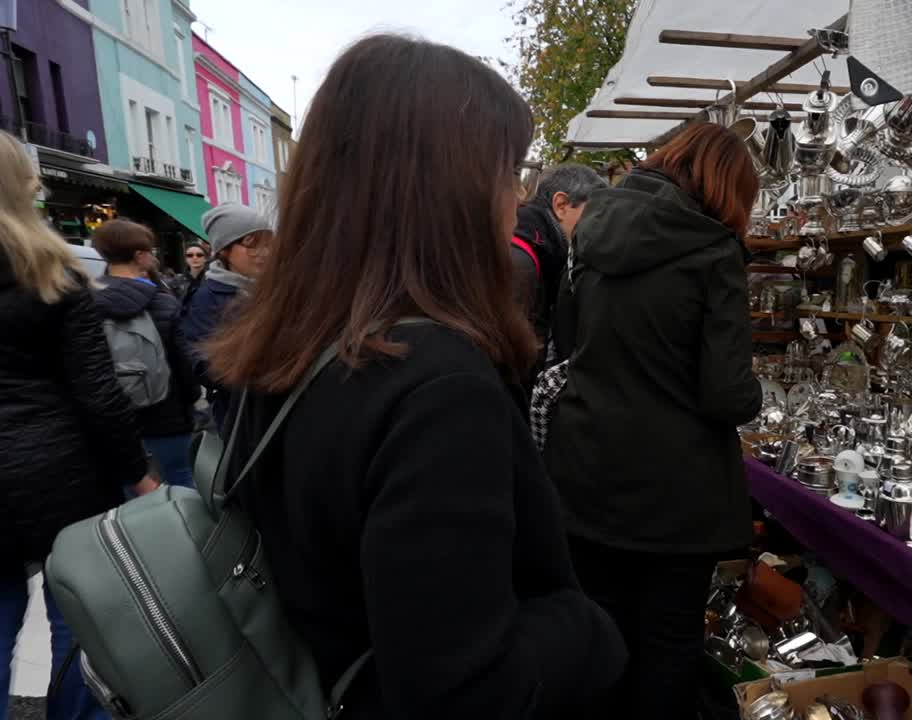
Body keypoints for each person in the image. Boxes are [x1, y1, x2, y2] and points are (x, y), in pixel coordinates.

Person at [202, 34, 625, 719]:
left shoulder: (295, 343)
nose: (516, 200)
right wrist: (593, 631)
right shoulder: (435, 391)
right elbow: (464, 690)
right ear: (447, 189)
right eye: (506, 173)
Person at [545, 122, 763, 720]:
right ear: (725, 186)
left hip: (585, 470)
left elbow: (565, 347)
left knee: (600, 629)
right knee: (668, 643)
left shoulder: (588, 231)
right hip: (676, 494)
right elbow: (727, 393)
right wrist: (756, 391)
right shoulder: (714, 250)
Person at [0, 130, 155, 720]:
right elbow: (98, 395)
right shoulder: (53, 275)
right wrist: (139, 476)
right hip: (59, 471)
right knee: (81, 619)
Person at [91, 219, 202, 488]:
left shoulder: (84, 301)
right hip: (167, 413)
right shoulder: (163, 303)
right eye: (150, 251)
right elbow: (183, 365)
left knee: (129, 486)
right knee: (180, 478)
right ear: (139, 256)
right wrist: (192, 399)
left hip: (115, 418)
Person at [181, 204, 272, 431]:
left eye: (268, 244)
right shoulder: (206, 298)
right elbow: (202, 365)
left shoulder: (276, 289)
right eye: (252, 245)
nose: (263, 253)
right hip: (245, 418)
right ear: (224, 250)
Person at [510, 163, 606, 367]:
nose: (599, 226)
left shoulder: (542, 251)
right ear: (561, 205)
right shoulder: (521, 263)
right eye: (594, 214)